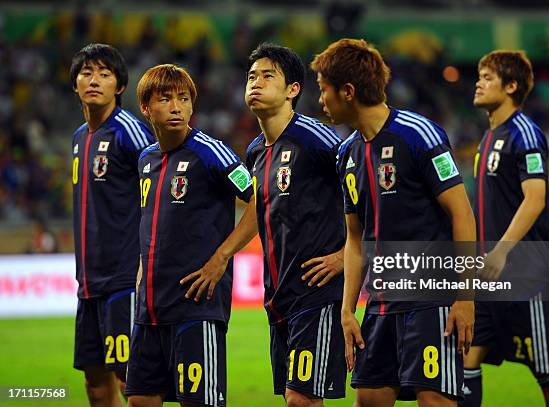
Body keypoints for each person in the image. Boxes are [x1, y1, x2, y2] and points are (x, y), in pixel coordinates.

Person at [311, 38, 476, 407]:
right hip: (381, 304)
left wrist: (465, 297)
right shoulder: (347, 154)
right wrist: (347, 310)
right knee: (368, 398)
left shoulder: (419, 134)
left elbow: (462, 214)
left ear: (348, 91)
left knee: (435, 401)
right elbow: (355, 240)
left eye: (324, 90)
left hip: (431, 301)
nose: (321, 100)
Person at [181, 43, 347, 407]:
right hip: (279, 296)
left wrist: (345, 256)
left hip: (316, 292)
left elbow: (364, 189)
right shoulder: (256, 150)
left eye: (268, 75)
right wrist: (224, 254)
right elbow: (259, 209)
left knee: (300, 400)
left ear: (293, 90)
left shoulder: (316, 139)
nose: (256, 82)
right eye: (251, 76)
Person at [125, 64, 253, 407]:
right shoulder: (145, 160)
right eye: (166, 99)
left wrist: (221, 258)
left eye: (184, 99)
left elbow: (259, 200)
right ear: (146, 107)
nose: (177, 106)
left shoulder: (211, 152)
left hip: (195, 309)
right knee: (138, 401)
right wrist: (141, 276)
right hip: (149, 312)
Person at [461, 50, 549, 407]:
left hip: (524, 277)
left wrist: (501, 251)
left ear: (511, 86)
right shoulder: (488, 137)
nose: (478, 82)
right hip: (486, 277)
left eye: (488, 77)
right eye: (479, 75)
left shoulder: (525, 133)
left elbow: (536, 198)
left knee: (546, 368)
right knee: (466, 360)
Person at [70, 43, 155, 407]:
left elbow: (159, 184)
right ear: (74, 83)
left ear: (119, 86)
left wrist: (146, 260)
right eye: (87, 73)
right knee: (94, 379)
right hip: (88, 281)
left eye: (105, 74)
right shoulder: (78, 138)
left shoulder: (129, 131)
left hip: (124, 278)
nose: (94, 81)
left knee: (129, 379)